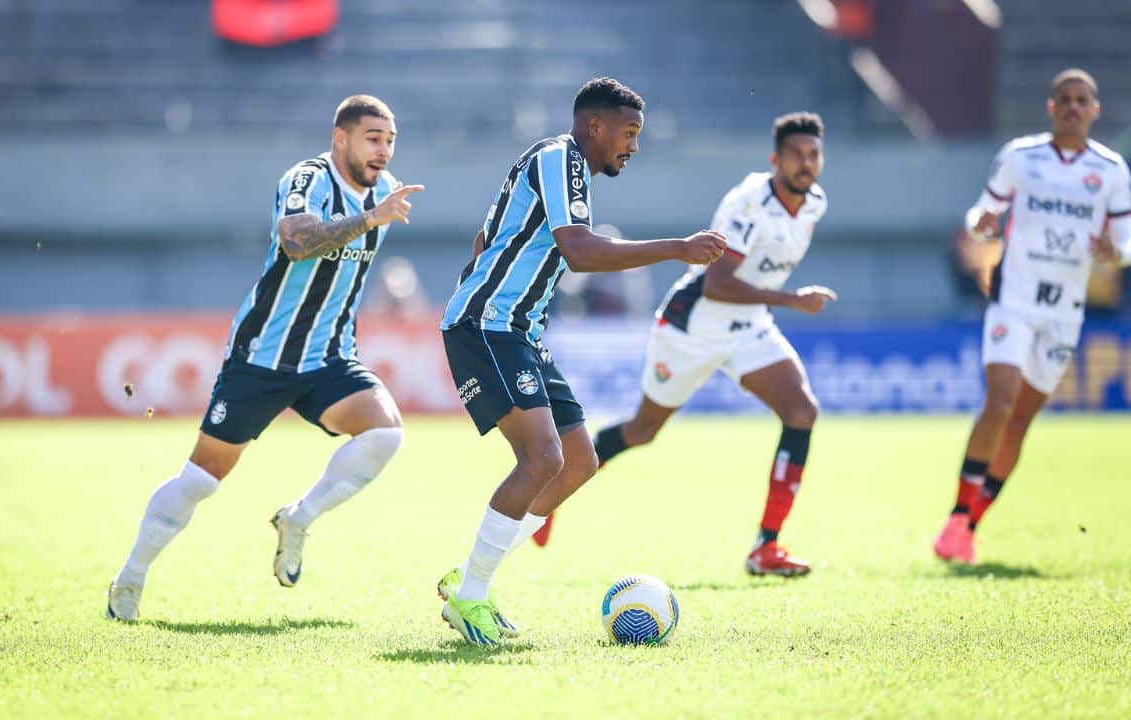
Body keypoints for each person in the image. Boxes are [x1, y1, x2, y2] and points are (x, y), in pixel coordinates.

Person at [434, 77, 728, 645]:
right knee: (542, 457)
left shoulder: (564, 169)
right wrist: (678, 248)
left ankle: (469, 579)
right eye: (629, 132)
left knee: (578, 462)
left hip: (517, 329)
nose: (634, 146)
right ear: (595, 125)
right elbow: (581, 252)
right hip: (488, 326)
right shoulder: (560, 158)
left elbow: (485, 239)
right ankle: (471, 595)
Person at [108, 95, 423, 621]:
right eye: (373, 138)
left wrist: (375, 212)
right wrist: (369, 218)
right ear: (340, 138)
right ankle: (130, 578)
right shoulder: (308, 179)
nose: (383, 150)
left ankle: (298, 518)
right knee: (201, 479)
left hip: (327, 356)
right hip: (263, 356)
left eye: (390, 140)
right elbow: (296, 242)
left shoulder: (387, 190)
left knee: (385, 435)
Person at [581, 112, 834, 577]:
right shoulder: (748, 204)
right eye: (796, 154)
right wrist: (791, 300)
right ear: (775, 160)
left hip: (748, 324)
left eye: (813, 155)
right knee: (642, 430)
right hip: (693, 326)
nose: (806, 163)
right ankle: (554, 487)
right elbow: (718, 285)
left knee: (801, 411)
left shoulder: (814, 203)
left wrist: (776, 301)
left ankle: (766, 546)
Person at [933, 69, 1131, 564]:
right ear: (1051, 107)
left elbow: (1126, 242)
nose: (1072, 107)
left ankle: (969, 527)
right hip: (1014, 300)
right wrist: (979, 225)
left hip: (1064, 312)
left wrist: (1116, 253)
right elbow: (980, 214)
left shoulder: (1111, 170)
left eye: (1081, 100)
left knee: (1021, 420)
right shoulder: (1021, 157)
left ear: (1094, 110)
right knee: (1000, 402)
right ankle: (956, 516)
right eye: (1064, 99)